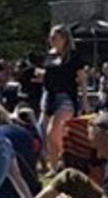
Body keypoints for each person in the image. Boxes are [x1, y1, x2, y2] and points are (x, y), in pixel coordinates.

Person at [37, 25, 90, 169]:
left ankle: (66, 158)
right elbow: (49, 74)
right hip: (49, 96)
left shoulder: (73, 56)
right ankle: (54, 167)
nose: (51, 40)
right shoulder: (50, 55)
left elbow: (82, 79)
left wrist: (85, 101)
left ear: (64, 39)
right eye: (50, 37)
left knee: (53, 131)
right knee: (45, 133)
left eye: (55, 37)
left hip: (66, 96)